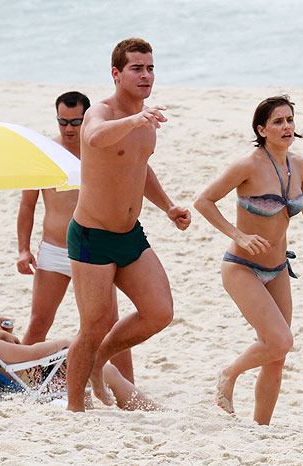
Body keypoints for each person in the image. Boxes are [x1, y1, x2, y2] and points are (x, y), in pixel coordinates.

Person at [194, 95, 303, 425]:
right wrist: (238, 235)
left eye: (290, 120)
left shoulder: (300, 166)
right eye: (278, 122)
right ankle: (229, 373)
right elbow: (203, 201)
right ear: (262, 130)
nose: (287, 126)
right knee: (281, 341)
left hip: (278, 268)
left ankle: (260, 428)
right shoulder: (247, 165)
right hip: (241, 267)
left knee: (276, 355)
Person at [65, 37, 191, 412]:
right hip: (92, 236)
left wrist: (168, 206)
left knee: (159, 312)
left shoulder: (146, 120)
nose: (146, 75)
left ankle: (100, 361)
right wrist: (135, 118)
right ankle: (74, 409)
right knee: (94, 324)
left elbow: (139, 165)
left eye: (150, 67)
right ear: (116, 73)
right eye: (137, 68)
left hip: (130, 235)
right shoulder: (100, 112)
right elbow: (93, 137)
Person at [0, 293, 159, 410]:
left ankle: (103, 406)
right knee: (107, 369)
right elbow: (32, 356)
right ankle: (149, 410)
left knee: (86, 364)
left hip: (15, 376)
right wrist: (64, 342)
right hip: (32, 378)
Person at [17, 91, 89, 345]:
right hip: (54, 250)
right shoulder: (44, 153)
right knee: (38, 322)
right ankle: (20, 382)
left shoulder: (100, 151)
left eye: (76, 122)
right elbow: (27, 205)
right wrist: (23, 250)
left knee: (104, 325)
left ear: (87, 118)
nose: (68, 128)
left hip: (94, 252)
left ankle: (128, 384)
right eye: (62, 121)